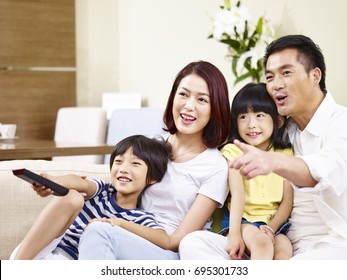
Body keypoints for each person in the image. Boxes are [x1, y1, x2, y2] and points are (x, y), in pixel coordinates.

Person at [180, 34, 347, 260]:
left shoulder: (340, 123)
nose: (276, 84)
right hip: (265, 239)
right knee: (193, 243)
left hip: (325, 246)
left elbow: (326, 168)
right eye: (270, 76)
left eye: (286, 73)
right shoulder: (280, 127)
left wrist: (273, 162)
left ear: (314, 75)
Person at [77, 60, 231, 260]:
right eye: (183, 94)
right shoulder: (150, 146)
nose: (188, 106)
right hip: (126, 237)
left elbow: (176, 241)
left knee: (99, 232)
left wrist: (119, 224)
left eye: (202, 100)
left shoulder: (216, 166)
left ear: (215, 108)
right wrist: (84, 188)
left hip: (169, 253)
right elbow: (118, 189)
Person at [179, 82, 293, 260]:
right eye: (243, 117)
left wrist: (271, 227)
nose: (251, 124)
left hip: (274, 225)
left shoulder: (285, 153)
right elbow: (238, 196)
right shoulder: (233, 152)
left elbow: (287, 200)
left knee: (284, 251)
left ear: (278, 121)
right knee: (262, 243)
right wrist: (234, 234)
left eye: (260, 115)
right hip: (243, 222)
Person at [10, 134, 171, 260]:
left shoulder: (139, 217)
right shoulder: (102, 191)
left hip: (68, 263)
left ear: (152, 178)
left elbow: (163, 240)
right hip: (34, 253)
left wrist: (119, 223)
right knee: (73, 196)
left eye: (135, 164)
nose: (123, 169)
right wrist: (53, 181)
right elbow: (78, 182)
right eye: (118, 161)